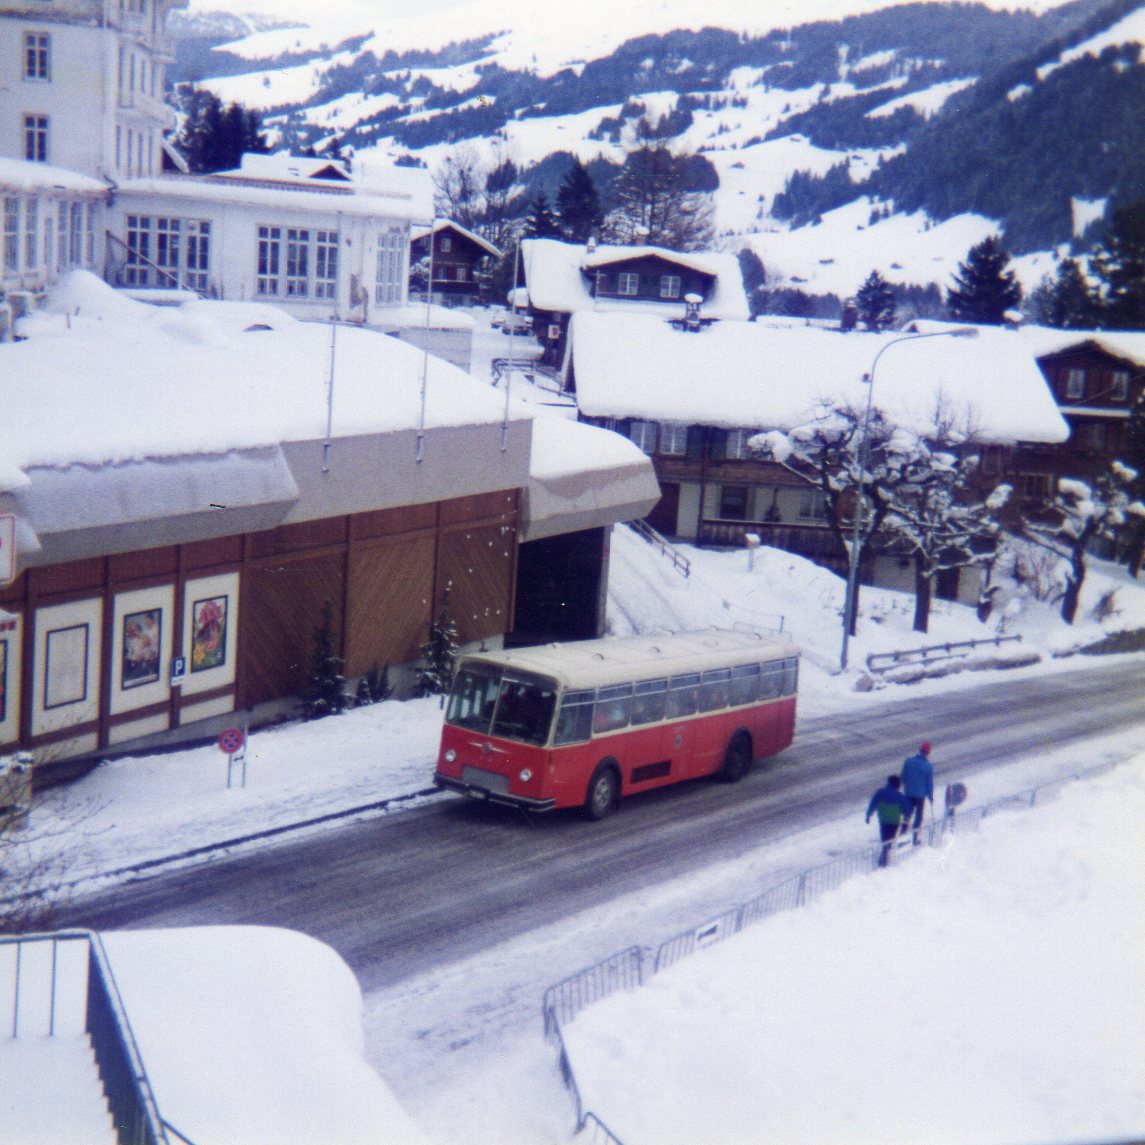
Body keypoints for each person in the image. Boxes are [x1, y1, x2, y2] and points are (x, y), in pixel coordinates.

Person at [866, 774, 911, 867]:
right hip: (895, 822)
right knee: (890, 840)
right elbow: (907, 809)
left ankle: (883, 858)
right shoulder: (900, 796)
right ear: (897, 785)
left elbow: (873, 803)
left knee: (884, 839)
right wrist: (906, 819)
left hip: (883, 820)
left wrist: (868, 815)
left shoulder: (880, 792)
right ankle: (884, 860)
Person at [900, 740, 935, 845]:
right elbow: (929, 783)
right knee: (919, 816)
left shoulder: (908, 761)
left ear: (920, 751)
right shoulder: (928, 766)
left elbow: (903, 776)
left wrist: (907, 785)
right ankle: (915, 836)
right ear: (928, 753)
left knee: (907, 813)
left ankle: (903, 832)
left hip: (908, 793)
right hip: (920, 795)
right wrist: (930, 796)